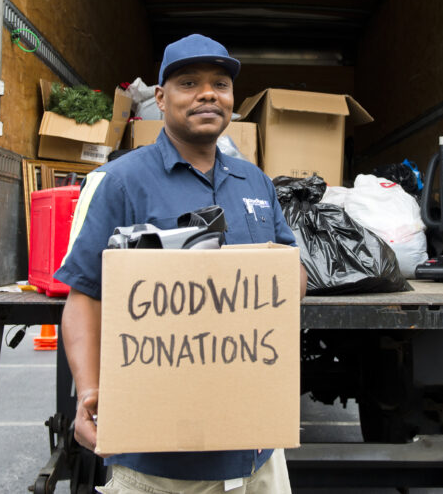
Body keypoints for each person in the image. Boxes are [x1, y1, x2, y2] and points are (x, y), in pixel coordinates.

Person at [54, 33, 308, 494]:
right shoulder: (117, 183)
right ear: (160, 97)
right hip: (162, 463)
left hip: (259, 454)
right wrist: (89, 390)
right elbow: (85, 295)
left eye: (220, 84)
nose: (208, 93)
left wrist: (281, 280)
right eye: (189, 82)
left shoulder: (257, 182)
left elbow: (290, 275)